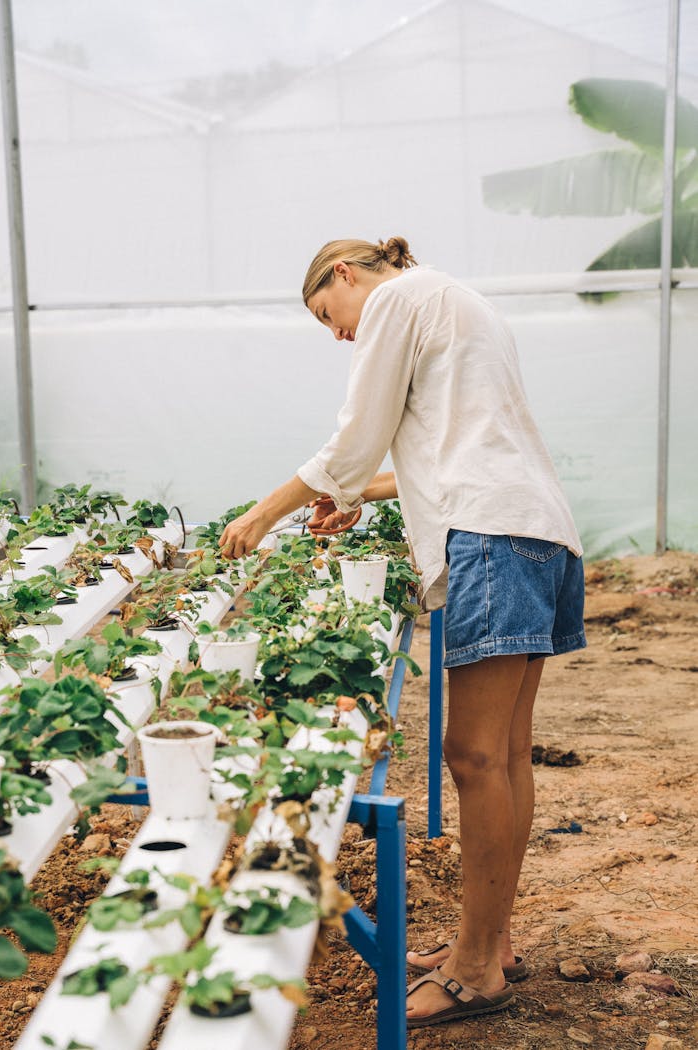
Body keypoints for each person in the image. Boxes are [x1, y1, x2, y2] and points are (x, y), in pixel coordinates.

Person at [219, 236, 586, 1029]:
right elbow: (442, 445)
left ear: (346, 275)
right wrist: (366, 496)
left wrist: (263, 513)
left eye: (329, 315)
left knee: (474, 755)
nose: (340, 334)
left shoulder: (393, 299)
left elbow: (358, 434)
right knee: (508, 754)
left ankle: (477, 969)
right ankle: (490, 941)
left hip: (491, 534)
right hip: (537, 531)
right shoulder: (457, 298)